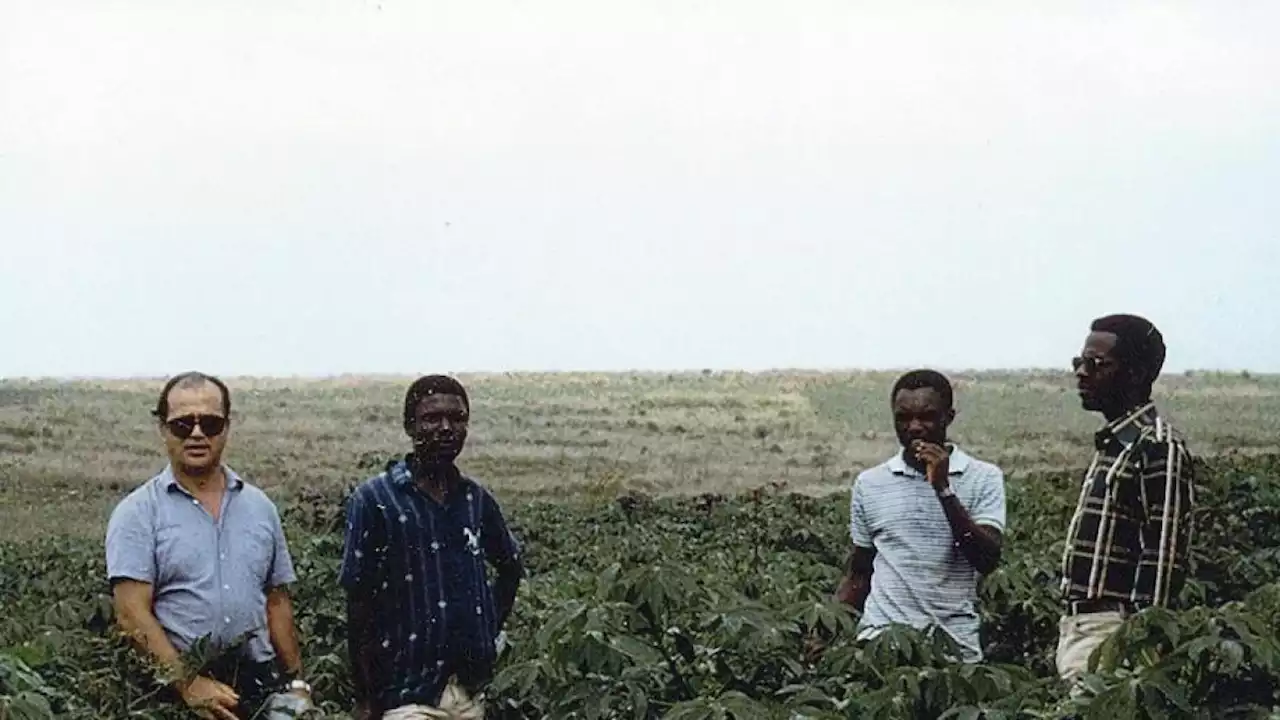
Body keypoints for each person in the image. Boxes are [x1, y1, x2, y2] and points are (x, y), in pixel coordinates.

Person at [105, 371, 314, 720]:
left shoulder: (260, 507)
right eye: (183, 424)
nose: (197, 434)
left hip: (259, 682)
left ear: (227, 427)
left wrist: (296, 684)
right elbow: (131, 613)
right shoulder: (137, 513)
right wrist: (187, 684)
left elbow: (276, 602)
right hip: (176, 689)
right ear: (163, 429)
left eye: (211, 424)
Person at [341, 374, 525, 719]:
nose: (445, 428)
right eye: (431, 418)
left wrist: (486, 629)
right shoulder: (376, 500)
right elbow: (358, 602)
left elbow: (510, 567)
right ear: (410, 427)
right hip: (404, 692)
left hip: (467, 691)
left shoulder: (474, 499)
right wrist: (365, 697)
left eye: (457, 419)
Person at [1056, 314, 1195, 683]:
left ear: (1135, 373)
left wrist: (1139, 648)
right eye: (1078, 363)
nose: (1082, 373)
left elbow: (1162, 559)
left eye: (1096, 364)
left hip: (1112, 633)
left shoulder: (1157, 446)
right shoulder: (1116, 444)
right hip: (1081, 626)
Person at [833, 369, 1007, 663]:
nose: (914, 427)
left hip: (953, 648)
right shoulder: (870, 483)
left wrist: (943, 488)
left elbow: (986, 558)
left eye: (926, 417)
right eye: (903, 418)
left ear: (948, 417)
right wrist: (827, 628)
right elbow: (860, 573)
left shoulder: (983, 477)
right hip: (881, 644)